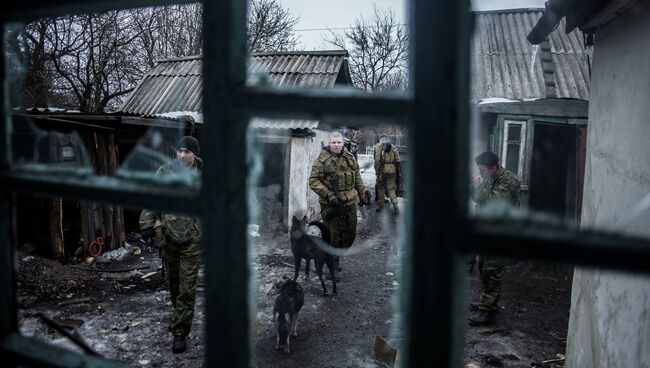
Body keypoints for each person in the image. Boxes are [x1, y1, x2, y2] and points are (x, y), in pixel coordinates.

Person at [140, 136, 203, 353]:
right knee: (174, 285)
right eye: (179, 151)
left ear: (195, 153)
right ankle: (180, 317)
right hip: (169, 237)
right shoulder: (165, 172)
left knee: (187, 289)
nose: (183, 155)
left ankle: (179, 333)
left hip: (194, 240)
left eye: (187, 151)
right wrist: (147, 225)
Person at [468, 151, 520, 326]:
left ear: (494, 168)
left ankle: (488, 312)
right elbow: (476, 197)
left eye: (482, 171)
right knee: (484, 268)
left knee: (493, 272)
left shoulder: (509, 181)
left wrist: (479, 190)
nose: (480, 174)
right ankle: (488, 302)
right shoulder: (490, 179)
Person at [309, 131, 370, 271]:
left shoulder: (349, 157)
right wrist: (328, 194)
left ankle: (333, 256)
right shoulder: (322, 160)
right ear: (329, 143)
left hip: (349, 203)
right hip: (330, 205)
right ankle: (332, 263)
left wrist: (362, 194)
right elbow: (313, 181)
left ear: (343, 143)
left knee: (350, 234)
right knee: (333, 236)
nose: (336, 145)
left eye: (339, 142)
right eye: (333, 142)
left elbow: (357, 177)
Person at [373, 134, 401, 215]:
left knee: (381, 188)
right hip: (392, 171)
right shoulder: (393, 147)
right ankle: (395, 204)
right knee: (391, 189)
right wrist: (397, 172)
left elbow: (377, 161)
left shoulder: (378, 147)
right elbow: (398, 160)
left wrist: (377, 172)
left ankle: (380, 205)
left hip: (382, 171)